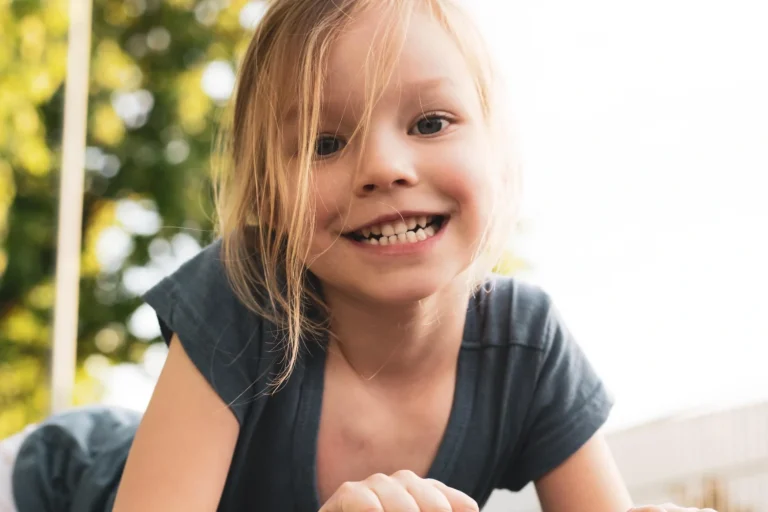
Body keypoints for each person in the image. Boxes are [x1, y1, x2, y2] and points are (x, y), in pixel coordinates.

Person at [5, 1, 717, 511]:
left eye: (430, 122)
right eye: (324, 142)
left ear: (497, 152)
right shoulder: (243, 298)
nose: (384, 166)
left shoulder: (527, 349)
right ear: (268, 199)